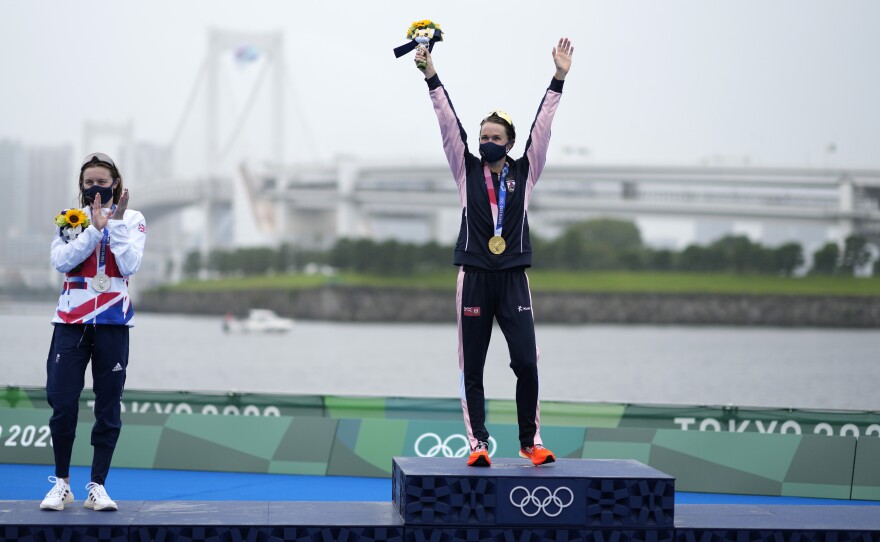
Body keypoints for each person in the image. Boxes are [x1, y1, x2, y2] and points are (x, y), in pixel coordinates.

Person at [414, 38, 573, 467]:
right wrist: (431, 75)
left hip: (514, 277)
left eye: (494, 136)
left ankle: (530, 441)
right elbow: (448, 125)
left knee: (526, 361)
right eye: (482, 135)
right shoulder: (466, 170)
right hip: (474, 276)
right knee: (474, 368)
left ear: (509, 142)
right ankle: (478, 443)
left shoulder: (526, 171)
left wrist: (558, 77)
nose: (486, 141)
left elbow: (543, 127)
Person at [40, 152, 146, 511]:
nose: (95, 189)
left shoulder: (132, 219)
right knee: (63, 403)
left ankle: (97, 486)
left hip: (113, 322)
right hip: (71, 322)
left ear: (115, 183)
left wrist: (113, 225)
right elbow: (61, 262)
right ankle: (62, 484)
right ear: (81, 187)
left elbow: (130, 263)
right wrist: (94, 229)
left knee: (108, 406)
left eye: (102, 182)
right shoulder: (69, 219)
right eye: (88, 183)